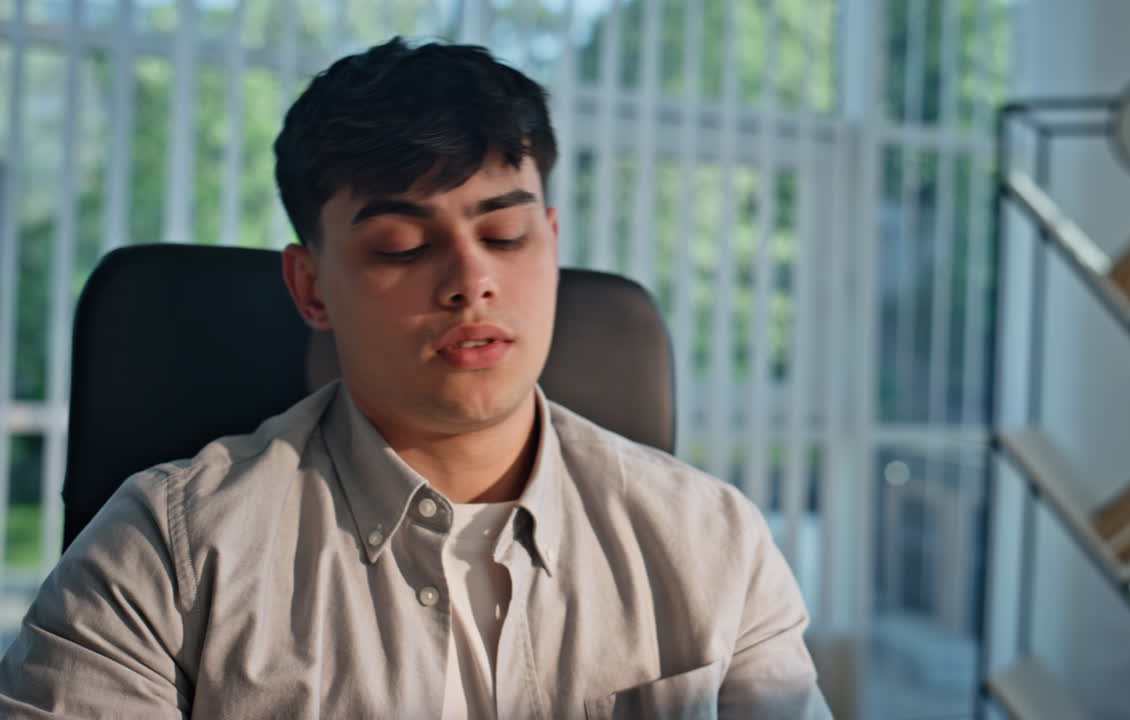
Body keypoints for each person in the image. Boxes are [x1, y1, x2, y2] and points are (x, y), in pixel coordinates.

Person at [0, 39, 831, 719]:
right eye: (401, 246)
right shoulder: (163, 554)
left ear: (550, 240)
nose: (471, 281)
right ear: (312, 287)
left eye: (505, 234)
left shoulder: (712, 542)